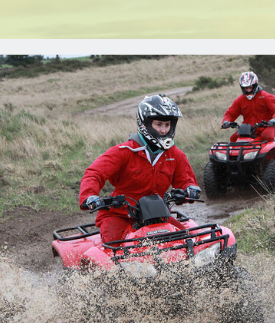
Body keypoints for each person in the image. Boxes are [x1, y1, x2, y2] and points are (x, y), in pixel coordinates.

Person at [79, 94, 200, 243]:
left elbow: (186, 180)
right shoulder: (123, 151)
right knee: (115, 247)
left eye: (167, 125)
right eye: (158, 124)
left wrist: (190, 189)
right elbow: (95, 173)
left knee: (189, 242)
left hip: (157, 215)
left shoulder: (175, 154)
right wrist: (90, 196)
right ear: (145, 124)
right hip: (120, 215)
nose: (163, 130)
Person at [221, 71, 275, 143]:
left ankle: (274, 153)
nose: (248, 90)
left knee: (266, 136)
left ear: (255, 85)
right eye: (246, 88)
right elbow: (231, 113)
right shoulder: (240, 100)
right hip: (248, 129)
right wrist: (226, 121)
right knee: (234, 138)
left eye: (250, 87)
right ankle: (239, 154)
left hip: (267, 127)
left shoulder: (266, 97)